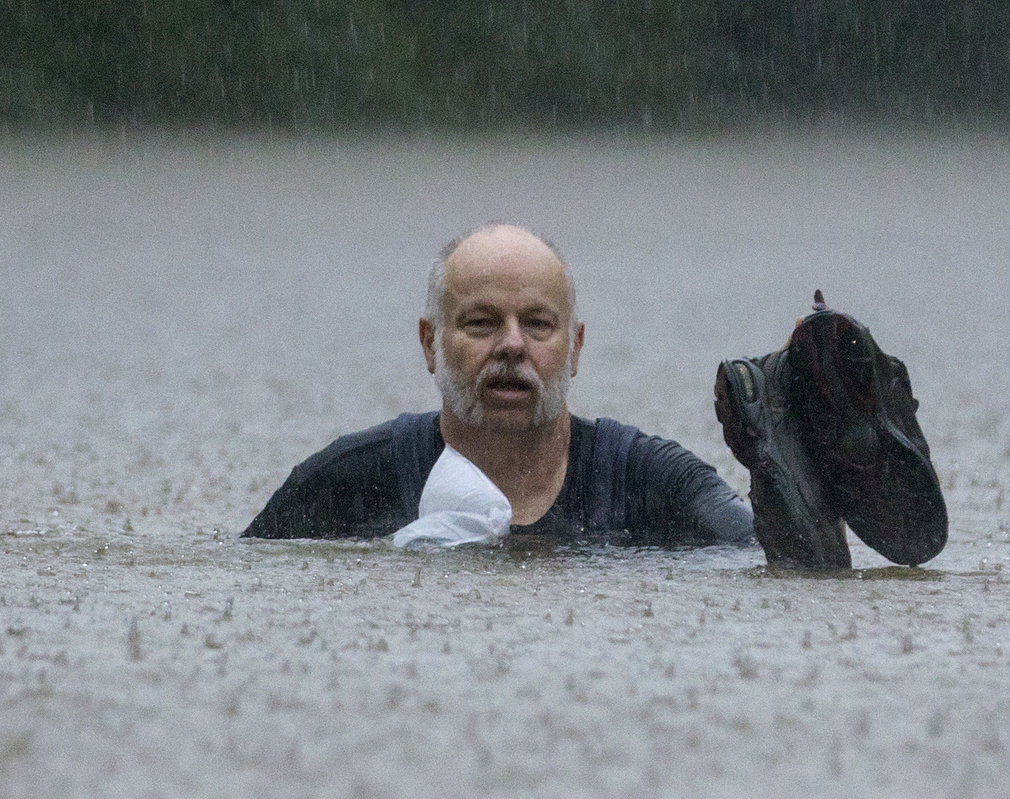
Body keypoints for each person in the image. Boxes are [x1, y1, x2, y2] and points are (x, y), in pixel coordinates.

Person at [242, 223, 944, 568]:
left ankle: (820, 438)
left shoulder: (648, 477)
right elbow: (236, 577)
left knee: (776, 559)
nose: (512, 345)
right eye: (482, 323)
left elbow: (746, 556)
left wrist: (798, 550)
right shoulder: (348, 480)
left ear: (574, 346)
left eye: (537, 324)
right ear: (430, 343)